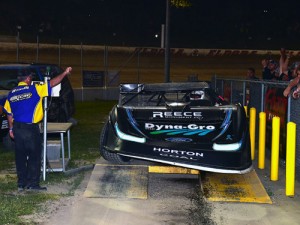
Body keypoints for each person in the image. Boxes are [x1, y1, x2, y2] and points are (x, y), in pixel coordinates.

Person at [4, 66, 72, 191]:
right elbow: (52, 83)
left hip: (17, 128)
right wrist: (65, 73)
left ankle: (21, 184)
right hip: (30, 129)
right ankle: (33, 184)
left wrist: (11, 129)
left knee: (20, 157)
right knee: (34, 156)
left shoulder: (12, 93)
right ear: (29, 79)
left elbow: (9, 114)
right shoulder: (35, 89)